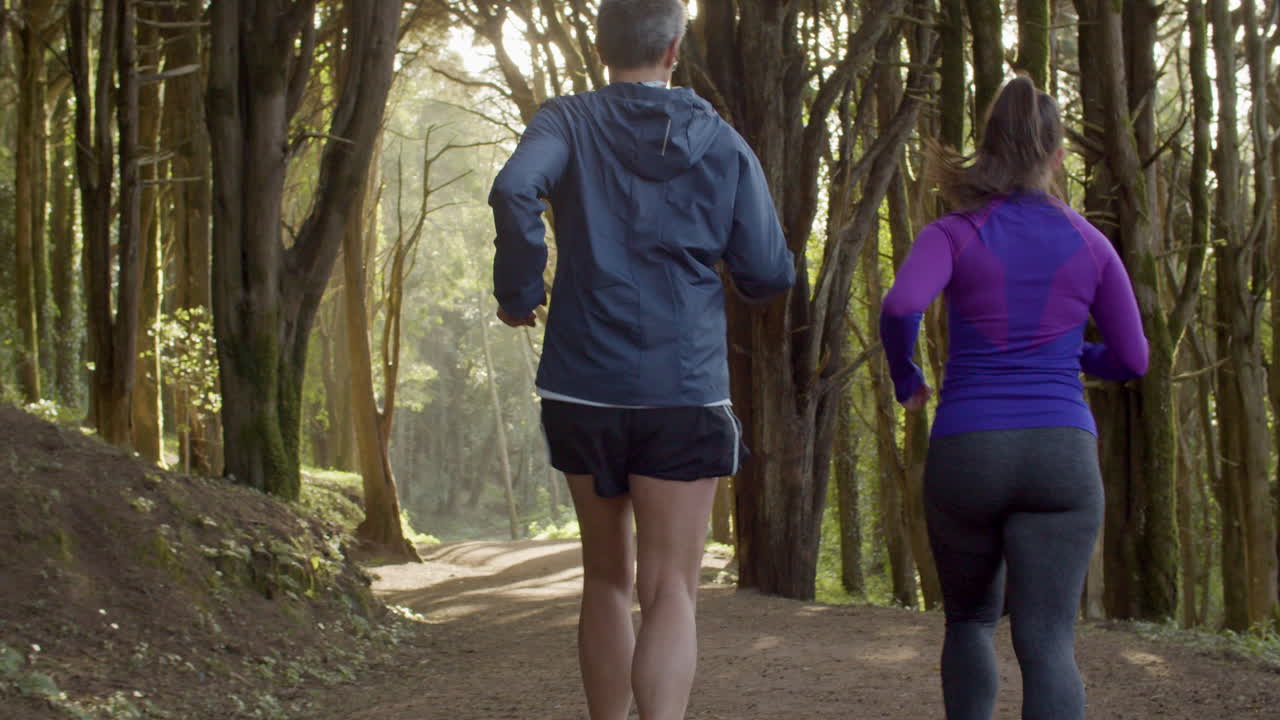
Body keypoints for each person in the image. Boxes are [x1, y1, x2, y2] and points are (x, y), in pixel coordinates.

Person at [488, 1, 795, 717]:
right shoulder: (719, 139)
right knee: (671, 590)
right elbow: (767, 271)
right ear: (675, 48)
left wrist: (520, 291)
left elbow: (514, 188)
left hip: (582, 384)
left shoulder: (565, 122)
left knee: (605, 580)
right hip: (683, 388)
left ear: (601, 47)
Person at [879, 75, 1148, 720]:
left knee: (970, 621)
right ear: (1058, 156)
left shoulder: (953, 232)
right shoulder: (1091, 242)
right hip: (1061, 454)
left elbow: (901, 306)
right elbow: (1134, 358)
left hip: (969, 451)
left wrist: (906, 378)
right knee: (1048, 641)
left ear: (988, 149)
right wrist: (1075, 355)